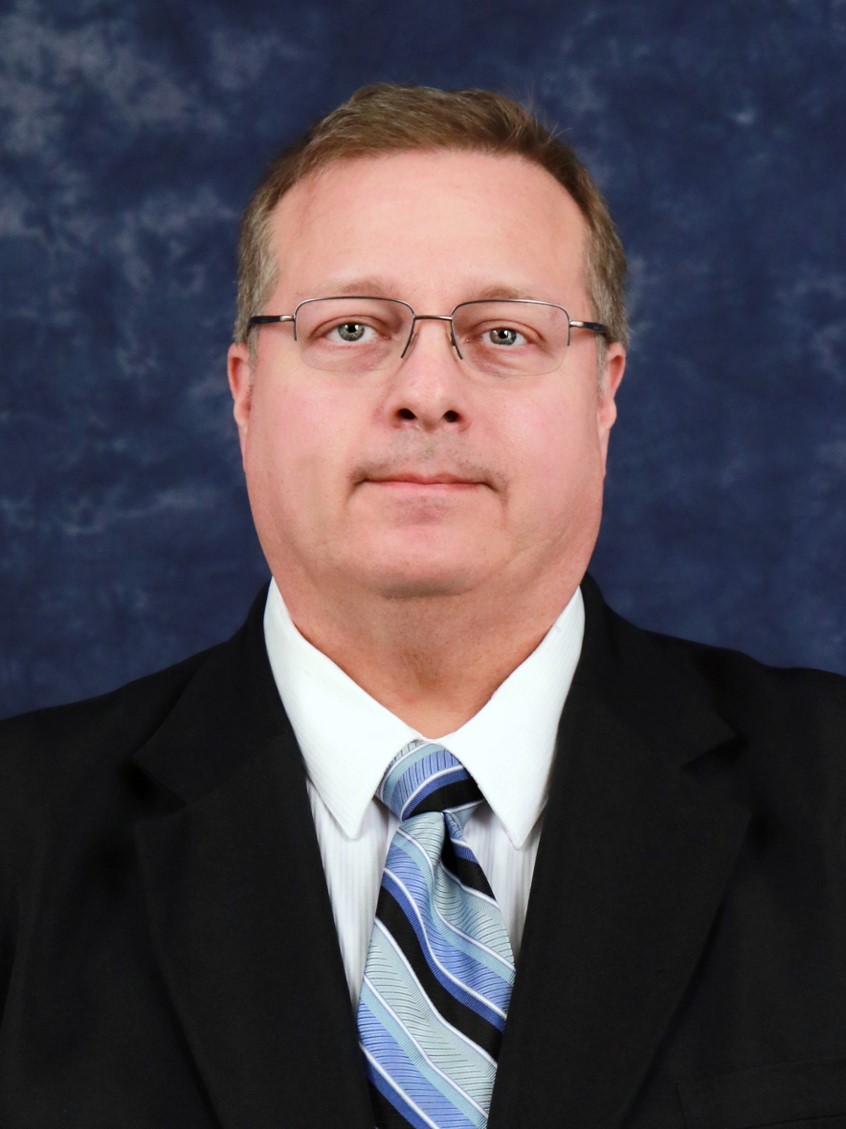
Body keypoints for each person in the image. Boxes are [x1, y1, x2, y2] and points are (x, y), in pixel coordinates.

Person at [1, 82, 844, 1129]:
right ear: (246, 390)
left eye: (504, 334)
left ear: (604, 391)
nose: (428, 391)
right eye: (353, 327)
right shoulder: (21, 836)